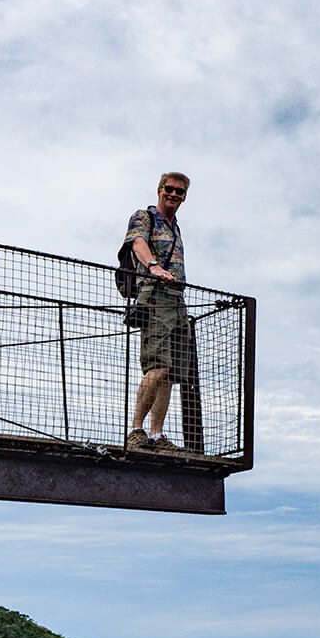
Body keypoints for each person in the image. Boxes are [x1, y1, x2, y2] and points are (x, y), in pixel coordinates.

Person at [123, 172, 194, 454]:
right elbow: (137, 243)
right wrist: (153, 266)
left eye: (180, 192)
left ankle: (156, 434)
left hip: (177, 299)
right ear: (159, 189)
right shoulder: (144, 216)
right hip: (155, 296)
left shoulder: (175, 227)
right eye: (170, 189)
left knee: (171, 373)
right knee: (157, 366)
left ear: (185, 196)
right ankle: (136, 431)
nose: (174, 195)